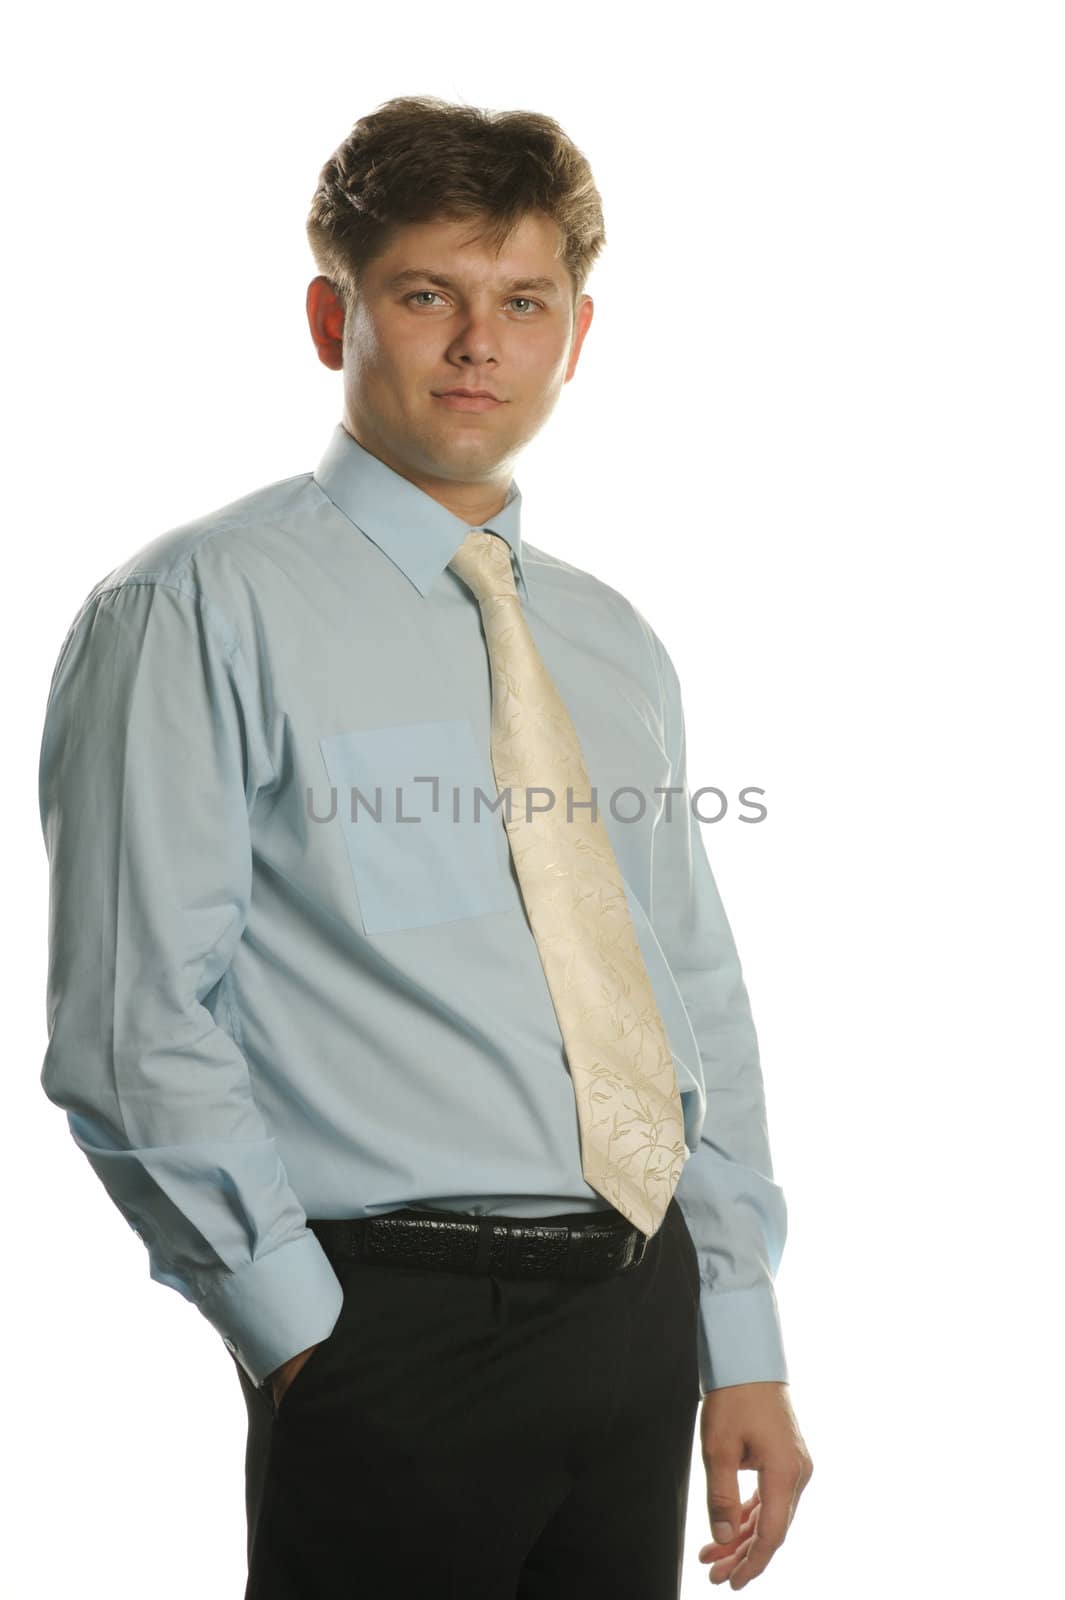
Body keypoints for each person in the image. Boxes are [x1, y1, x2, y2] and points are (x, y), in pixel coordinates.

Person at [37, 94, 812, 1597]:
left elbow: (681, 999)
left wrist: (740, 1332)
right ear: (335, 316)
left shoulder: (604, 638)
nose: (478, 345)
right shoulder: (197, 608)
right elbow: (132, 1021)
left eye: (522, 302)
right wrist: (299, 1327)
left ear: (574, 335)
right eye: (426, 296)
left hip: (637, 1314)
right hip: (390, 1328)